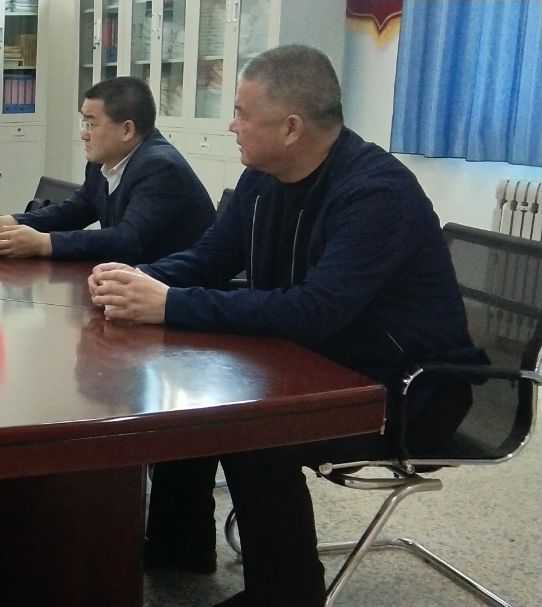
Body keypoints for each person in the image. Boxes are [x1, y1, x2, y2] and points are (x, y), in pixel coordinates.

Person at [89, 45, 483, 606]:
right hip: (321, 361)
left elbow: (314, 311)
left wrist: (169, 303)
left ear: (291, 127)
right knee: (187, 391)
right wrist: (136, 279)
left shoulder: (376, 193)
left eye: (242, 113)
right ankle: (181, 545)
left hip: (408, 388)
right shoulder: (263, 178)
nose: (232, 125)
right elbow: (210, 257)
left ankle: (287, 592)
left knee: (254, 427)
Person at [0, 77, 216, 262]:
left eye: (91, 124)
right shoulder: (103, 162)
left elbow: (128, 239)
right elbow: (73, 212)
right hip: (132, 281)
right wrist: (6, 222)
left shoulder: (160, 167)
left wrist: (44, 243)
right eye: (83, 123)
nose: (84, 134)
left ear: (126, 130)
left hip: (179, 291)